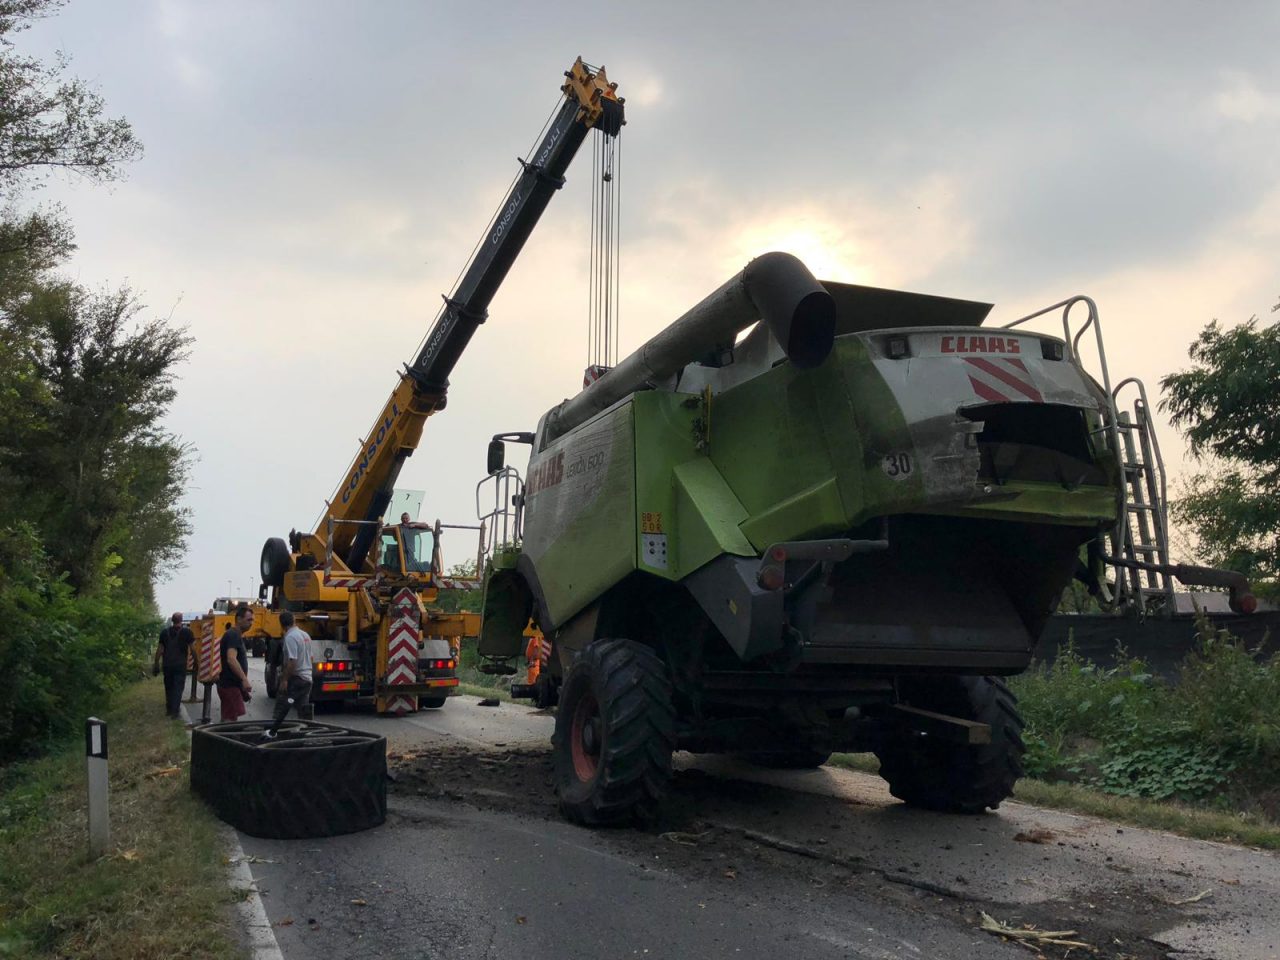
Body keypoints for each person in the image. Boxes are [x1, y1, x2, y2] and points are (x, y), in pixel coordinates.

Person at [263, 610, 313, 738]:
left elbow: (292, 661)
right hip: (307, 679)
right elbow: (310, 657)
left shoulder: (290, 637)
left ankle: (272, 733)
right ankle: (307, 734)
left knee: (281, 706)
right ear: (294, 621)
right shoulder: (305, 635)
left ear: (281, 624)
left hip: (295, 679)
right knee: (304, 710)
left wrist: (284, 680)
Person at [216, 604, 254, 721]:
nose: (251, 623)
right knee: (230, 721)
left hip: (232, 685)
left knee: (230, 718)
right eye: (249, 620)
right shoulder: (233, 635)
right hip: (229, 685)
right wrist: (244, 679)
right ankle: (227, 733)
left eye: (252, 620)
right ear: (239, 619)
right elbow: (231, 659)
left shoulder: (235, 635)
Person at [153, 612, 194, 718]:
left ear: (172, 620)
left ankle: (169, 709)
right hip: (180, 665)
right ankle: (175, 712)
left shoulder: (164, 633)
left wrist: (156, 663)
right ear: (181, 620)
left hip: (167, 665)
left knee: (169, 687)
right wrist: (196, 661)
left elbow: (160, 649)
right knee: (178, 687)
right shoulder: (187, 632)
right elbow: (192, 649)